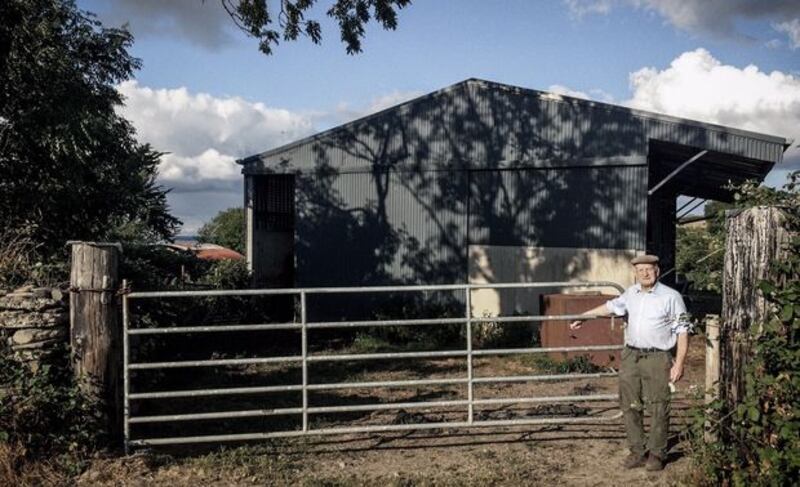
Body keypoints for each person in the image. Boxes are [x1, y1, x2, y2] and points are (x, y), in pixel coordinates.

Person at [569, 254, 689, 472]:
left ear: (657, 271)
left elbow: (683, 331)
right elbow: (608, 307)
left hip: (657, 357)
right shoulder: (630, 294)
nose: (644, 273)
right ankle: (637, 450)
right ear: (635, 273)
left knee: (658, 405)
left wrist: (679, 363)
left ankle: (657, 453)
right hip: (631, 356)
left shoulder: (672, 297)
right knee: (630, 404)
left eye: (649, 269)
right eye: (640, 270)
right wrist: (584, 316)